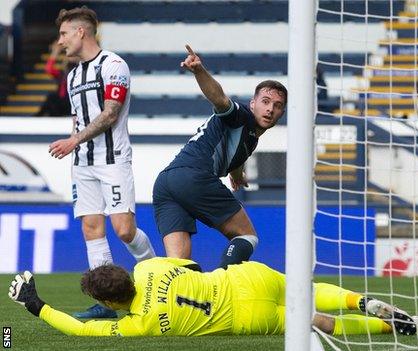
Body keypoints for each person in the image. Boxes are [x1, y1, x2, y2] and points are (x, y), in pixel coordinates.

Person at [48, 6, 155, 318]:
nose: (60, 41)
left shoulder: (113, 65)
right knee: (92, 229)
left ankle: (156, 276)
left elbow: (110, 113)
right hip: (83, 163)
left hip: (113, 160)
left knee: (124, 230)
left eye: (64, 34)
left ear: (81, 32)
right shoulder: (73, 75)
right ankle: (107, 303)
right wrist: (73, 145)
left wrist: (73, 141)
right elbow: (77, 118)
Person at [8, 257, 418, 336]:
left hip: (243, 318)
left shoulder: (139, 325)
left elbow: (79, 331)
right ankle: (361, 300)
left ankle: (387, 327)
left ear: (113, 303)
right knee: (311, 292)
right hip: (244, 279)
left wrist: (35, 304)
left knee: (319, 324)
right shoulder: (147, 268)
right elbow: (191, 269)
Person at [152, 45, 287, 269]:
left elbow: (238, 151)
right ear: (253, 103)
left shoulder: (250, 136)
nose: (270, 109)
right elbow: (220, 99)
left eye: (277, 105)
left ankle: (177, 300)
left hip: (166, 182)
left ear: (282, 113)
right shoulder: (241, 116)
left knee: (178, 265)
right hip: (195, 177)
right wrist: (199, 71)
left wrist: (237, 173)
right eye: (265, 101)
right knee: (247, 237)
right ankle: (221, 284)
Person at [35, 41, 77, 117]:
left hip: (72, 102)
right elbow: (49, 69)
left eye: (74, 55)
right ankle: (38, 117)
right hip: (62, 102)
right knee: (52, 97)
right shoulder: (62, 73)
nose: (71, 57)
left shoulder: (80, 70)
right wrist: (55, 53)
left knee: (52, 97)